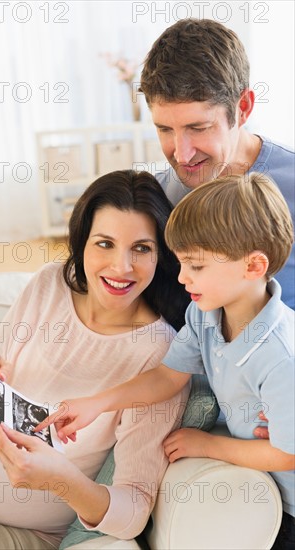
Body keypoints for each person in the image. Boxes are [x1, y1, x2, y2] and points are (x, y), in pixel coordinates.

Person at [0, 170, 190, 550]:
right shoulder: (50, 284)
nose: (121, 267)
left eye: (141, 248)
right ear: (82, 243)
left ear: (161, 255)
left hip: (22, 531)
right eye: (105, 243)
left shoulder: (161, 359)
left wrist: (58, 480)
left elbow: (133, 511)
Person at [45, 173, 294, 549]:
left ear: (254, 267)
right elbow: (166, 375)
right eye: (180, 263)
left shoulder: (281, 357)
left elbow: (286, 454)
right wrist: (96, 403)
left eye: (196, 266)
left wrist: (208, 446)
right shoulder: (205, 314)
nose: (181, 277)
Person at [141, 18, 294, 311]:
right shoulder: (156, 196)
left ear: (243, 108)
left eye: (198, 128)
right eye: (165, 130)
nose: (182, 156)